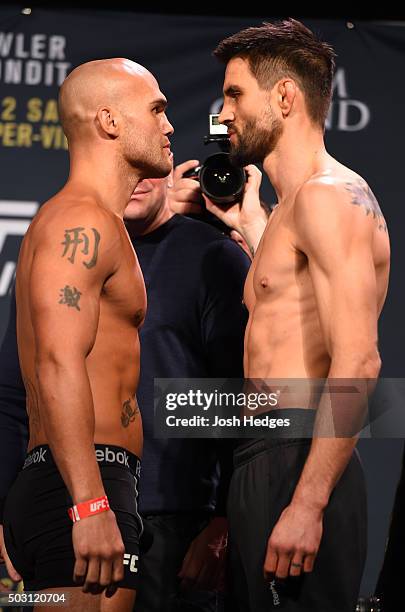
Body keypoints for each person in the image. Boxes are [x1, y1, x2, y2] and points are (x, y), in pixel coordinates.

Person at [201, 18, 390, 612]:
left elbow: (359, 358)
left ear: (284, 97)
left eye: (235, 94)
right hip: (263, 452)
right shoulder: (288, 210)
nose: (223, 112)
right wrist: (248, 226)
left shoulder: (330, 198)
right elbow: (291, 303)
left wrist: (307, 504)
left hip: (301, 454)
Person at [1, 57, 174, 612]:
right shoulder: (80, 221)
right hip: (77, 481)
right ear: (109, 121)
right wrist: (87, 504)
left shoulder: (101, 220)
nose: (169, 126)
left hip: (92, 480)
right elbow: (57, 362)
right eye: (156, 110)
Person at [124, 160, 253, 612]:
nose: (138, 180)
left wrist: (222, 521)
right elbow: (19, 388)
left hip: (179, 520)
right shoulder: (67, 250)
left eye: (149, 169)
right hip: (84, 509)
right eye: (126, 167)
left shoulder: (214, 255)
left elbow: (242, 398)